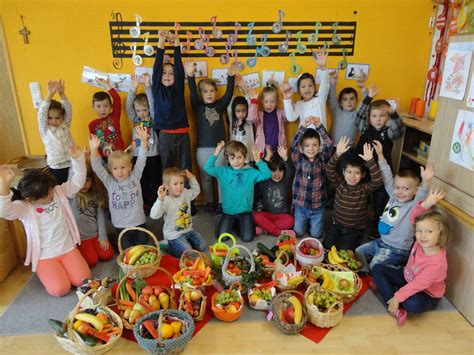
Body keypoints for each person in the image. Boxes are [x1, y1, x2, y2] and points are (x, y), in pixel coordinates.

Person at [0, 146, 90, 297]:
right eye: (47, 195)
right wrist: (3, 186)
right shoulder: (25, 207)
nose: (52, 194)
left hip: (67, 249)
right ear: (32, 198)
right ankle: (54, 273)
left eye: (51, 190)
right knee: (60, 289)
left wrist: (77, 159)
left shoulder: (59, 193)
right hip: (45, 257)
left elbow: (77, 182)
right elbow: (5, 211)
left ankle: (66, 269)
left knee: (84, 281)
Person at [371, 188, 448, 326]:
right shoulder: (420, 241)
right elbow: (414, 217)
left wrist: (398, 297)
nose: (422, 235)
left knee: (411, 303)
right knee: (377, 268)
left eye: (429, 231)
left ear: (440, 233)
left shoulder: (438, 264)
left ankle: (393, 296)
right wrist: (427, 203)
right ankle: (395, 304)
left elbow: (419, 284)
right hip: (407, 277)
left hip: (427, 294)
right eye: (419, 231)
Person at [356, 141, 434, 271]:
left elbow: (422, 195)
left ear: (415, 190)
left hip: (397, 249)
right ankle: (379, 262)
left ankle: (397, 268)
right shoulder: (394, 196)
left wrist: (426, 182)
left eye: (406, 189)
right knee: (358, 251)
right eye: (397, 187)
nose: (400, 191)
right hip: (381, 242)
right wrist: (380, 155)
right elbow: (387, 176)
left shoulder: (414, 206)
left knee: (374, 267)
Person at [184, 60, 241, 214]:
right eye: (205, 91)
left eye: (211, 91)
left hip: (221, 148)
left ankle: (221, 203)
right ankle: (210, 202)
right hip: (202, 149)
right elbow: (192, 92)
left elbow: (229, 93)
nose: (209, 94)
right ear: (201, 93)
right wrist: (190, 75)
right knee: (206, 177)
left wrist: (231, 76)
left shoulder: (220, 105)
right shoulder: (198, 106)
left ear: (216, 92)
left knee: (221, 176)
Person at [355, 84, 405, 238]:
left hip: (382, 173)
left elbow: (399, 129)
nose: (378, 119)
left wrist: (394, 114)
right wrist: (369, 97)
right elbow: (359, 117)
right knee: (361, 198)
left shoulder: (388, 132)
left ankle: (377, 226)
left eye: (382, 116)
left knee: (381, 200)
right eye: (374, 116)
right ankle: (357, 222)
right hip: (363, 171)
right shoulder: (365, 128)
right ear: (369, 118)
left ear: (387, 117)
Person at [89, 126, 149, 250]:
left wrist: (143, 142)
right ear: (110, 170)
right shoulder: (109, 182)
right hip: (120, 223)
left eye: (123, 167)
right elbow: (97, 167)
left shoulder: (135, 176)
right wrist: (94, 150)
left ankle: (127, 237)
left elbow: (142, 159)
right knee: (126, 247)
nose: (120, 172)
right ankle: (114, 237)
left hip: (138, 220)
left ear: (130, 167)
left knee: (143, 242)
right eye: (115, 168)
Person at [323, 137, 383, 250]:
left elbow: (377, 180)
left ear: (363, 175)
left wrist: (370, 160)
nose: (352, 176)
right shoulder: (340, 183)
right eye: (349, 172)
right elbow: (329, 169)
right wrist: (337, 154)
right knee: (326, 246)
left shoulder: (364, 189)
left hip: (355, 230)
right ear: (343, 172)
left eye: (356, 173)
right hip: (337, 226)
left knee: (344, 250)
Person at [204, 141, 271, 242]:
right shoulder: (223, 171)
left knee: (248, 238)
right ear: (228, 159)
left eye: (239, 157)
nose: (236, 161)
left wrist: (258, 161)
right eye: (232, 158)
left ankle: (237, 224)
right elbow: (207, 168)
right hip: (228, 212)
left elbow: (267, 174)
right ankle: (234, 224)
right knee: (222, 238)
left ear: (244, 157)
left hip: (245, 212)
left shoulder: (251, 172)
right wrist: (216, 153)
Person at [290, 117, 333, 239]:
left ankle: (313, 225)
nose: (311, 148)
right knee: (298, 233)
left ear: (319, 146)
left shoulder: (322, 158)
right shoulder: (299, 159)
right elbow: (293, 145)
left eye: (315, 145)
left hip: (317, 206)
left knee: (317, 235)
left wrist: (319, 126)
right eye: (307, 145)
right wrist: (302, 127)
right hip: (301, 206)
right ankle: (305, 223)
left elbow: (329, 144)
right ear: (302, 148)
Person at [150, 168, 206, 258]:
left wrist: (191, 178)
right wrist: (159, 199)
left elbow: (196, 190)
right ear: (167, 186)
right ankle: (167, 245)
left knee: (202, 246)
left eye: (181, 183)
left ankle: (184, 243)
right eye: (175, 184)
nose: (179, 187)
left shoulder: (185, 193)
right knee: (189, 254)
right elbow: (154, 215)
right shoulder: (165, 200)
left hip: (188, 230)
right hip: (173, 235)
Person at [126, 73, 161, 214]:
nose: (141, 113)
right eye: (138, 110)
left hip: (153, 154)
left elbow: (152, 105)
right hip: (138, 155)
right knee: (141, 181)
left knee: (153, 181)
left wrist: (147, 87)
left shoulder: (152, 118)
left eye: (144, 110)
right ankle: (145, 204)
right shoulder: (135, 119)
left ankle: (154, 203)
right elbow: (128, 106)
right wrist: (133, 89)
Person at [70, 160, 114, 267]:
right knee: (91, 261)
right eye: (81, 181)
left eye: (87, 180)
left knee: (108, 255)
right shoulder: (70, 196)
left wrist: (103, 237)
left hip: (96, 235)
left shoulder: (96, 195)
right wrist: (77, 159)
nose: (84, 185)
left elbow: (100, 218)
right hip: (81, 238)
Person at [37, 79, 74, 184]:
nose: (54, 121)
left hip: (71, 162)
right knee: (60, 189)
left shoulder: (65, 125)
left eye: (57, 118)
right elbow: (41, 113)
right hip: (57, 165)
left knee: (73, 188)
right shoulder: (45, 130)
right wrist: (50, 94)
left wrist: (62, 94)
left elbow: (68, 109)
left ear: (62, 117)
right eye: (50, 118)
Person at [282, 48, 329, 128]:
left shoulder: (320, 99)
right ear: (299, 90)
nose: (307, 89)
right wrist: (287, 100)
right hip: (305, 139)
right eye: (303, 86)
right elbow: (291, 118)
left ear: (314, 87)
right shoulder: (299, 104)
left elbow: (325, 82)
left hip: (321, 139)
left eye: (310, 85)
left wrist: (322, 67)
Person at [254, 145, 295, 237]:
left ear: (284, 173)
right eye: (273, 171)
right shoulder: (265, 179)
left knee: (291, 221)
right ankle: (278, 232)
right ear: (268, 171)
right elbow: (258, 170)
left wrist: (285, 158)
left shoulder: (285, 181)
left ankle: (265, 229)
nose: (277, 174)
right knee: (256, 216)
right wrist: (267, 158)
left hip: (282, 215)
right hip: (267, 214)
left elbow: (291, 171)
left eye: (280, 171)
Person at [328, 71, 367, 148]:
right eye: (345, 99)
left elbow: (365, 102)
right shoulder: (337, 111)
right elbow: (332, 96)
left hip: (348, 149)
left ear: (356, 100)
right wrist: (333, 82)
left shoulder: (357, 114)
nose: (349, 102)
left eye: (352, 99)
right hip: (333, 147)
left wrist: (363, 87)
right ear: (340, 103)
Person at [88, 77, 125, 158]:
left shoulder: (114, 116)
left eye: (106, 106)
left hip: (119, 155)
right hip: (103, 158)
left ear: (111, 107)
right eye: (98, 106)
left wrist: (106, 85)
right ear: (93, 107)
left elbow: (117, 99)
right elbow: (93, 143)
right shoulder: (92, 125)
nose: (102, 109)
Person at [247, 83, 287, 155]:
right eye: (266, 101)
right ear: (262, 101)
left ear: (276, 102)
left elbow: (289, 114)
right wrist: (254, 101)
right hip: (262, 150)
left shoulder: (280, 113)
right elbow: (251, 117)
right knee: (263, 166)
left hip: (279, 150)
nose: (269, 105)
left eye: (272, 101)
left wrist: (286, 98)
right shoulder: (259, 114)